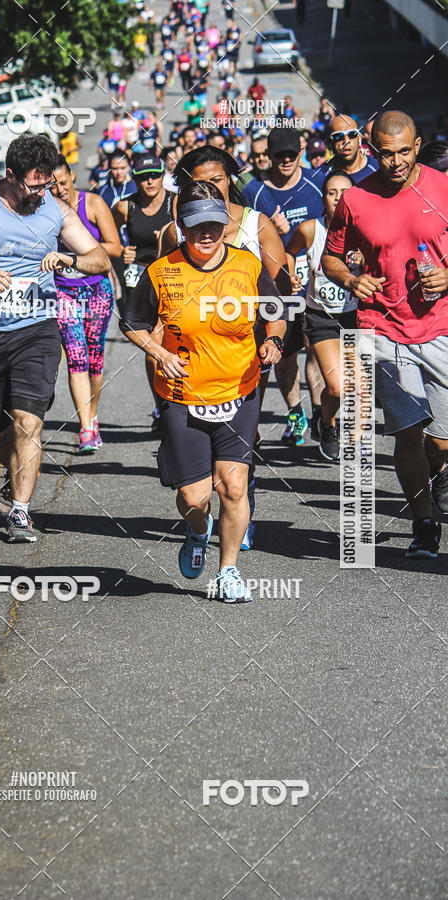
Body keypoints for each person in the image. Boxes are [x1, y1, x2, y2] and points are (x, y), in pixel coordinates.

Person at [0, 135, 109, 543]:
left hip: (37, 329)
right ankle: (16, 478)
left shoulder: (55, 209)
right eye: (33, 185)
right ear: (10, 175)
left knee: (29, 422)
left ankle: (21, 514)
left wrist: (69, 259)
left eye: (47, 184)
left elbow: (99, 258)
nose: (41, 193)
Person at [120, 180, 286, 601]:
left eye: (214, 223)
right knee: (195, 498)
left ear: (224, 223)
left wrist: (274, 340)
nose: (206, 233)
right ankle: (197, 530)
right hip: (183, 395)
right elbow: (132, 323)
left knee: (233, 487)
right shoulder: (162, 272)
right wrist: (158, 352)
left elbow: (275, 311)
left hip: (240, 391)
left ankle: (228, 571)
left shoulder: (247, 265)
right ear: (181, 226)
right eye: (196, 225)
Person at [322, 110, 448, 559]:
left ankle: (440, 475)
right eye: (386, 153)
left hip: (440, 327)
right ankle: (424, 523)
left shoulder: (443, 187)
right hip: (382, 329)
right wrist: (351, 280)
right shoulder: (356, 199)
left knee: (441, 440)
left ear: (418, 147)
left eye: (404, 152)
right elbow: (330, 258)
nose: (395, 162)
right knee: (408, 434)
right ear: (373, 149)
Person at [160, 145, 291, 550]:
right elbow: (162, 294)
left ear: (230, 180)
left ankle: (240, 504)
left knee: (244, 431)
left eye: (216, 180)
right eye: (200, 183)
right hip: (190, 352)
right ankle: (198, 504)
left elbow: (279, 288)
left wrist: (274, 333)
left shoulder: (256, 224)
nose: (210, 188)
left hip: (248, 346)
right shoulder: (175, 232)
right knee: (196, 471)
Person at [243, 126, 325, 446]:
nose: (286, 161)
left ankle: (321, 413)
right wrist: (273, 233)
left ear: (301, 152)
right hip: (277, 286)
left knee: (316, 349)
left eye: (292, 154)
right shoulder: (255, 191)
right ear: (269, 156)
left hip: (316, 281)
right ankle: (295, 413)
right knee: (285, 353)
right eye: (280, 156)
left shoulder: (317, 182)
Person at [50, 156, 122, 452]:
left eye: (62, 182)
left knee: (95, 358)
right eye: (52, 186)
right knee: (75, 355)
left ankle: (92, 414)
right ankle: (86, 427)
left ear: (72, 176)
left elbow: (115, 247)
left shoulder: (92, 204)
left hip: (96, 290)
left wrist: (79, 249)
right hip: (63, 291)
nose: (59, 190)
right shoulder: (45, 211)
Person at [286, 172, 358, 461]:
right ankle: (327, 424)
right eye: (331, 193)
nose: (338, 198)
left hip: (357, 317)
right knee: (337, 387)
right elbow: (289, 252)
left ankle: (341, 429)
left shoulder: (365, 230)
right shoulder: (310, 229)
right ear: (323, 197)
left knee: (356, 387)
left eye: (344, 192)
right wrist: (291, 275)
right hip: (321, 317)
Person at [113, 154, 175, 433]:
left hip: (172, 279)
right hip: (139, 281)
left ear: (163, 175)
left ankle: (179, 401)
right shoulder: (125, 207)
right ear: (135, 179)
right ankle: (161, 405)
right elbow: (105, 239)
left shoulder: (176, 203)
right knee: (153, 350)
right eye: (143, 177)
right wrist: (120, 252)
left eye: (154, 175)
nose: (149, 181)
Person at [311, 114, 379, 187]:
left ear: (359, 138)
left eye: (352, 134)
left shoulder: (377, 169)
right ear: (329, 142)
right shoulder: (319, 176)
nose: (346, 141)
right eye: (338, 136)